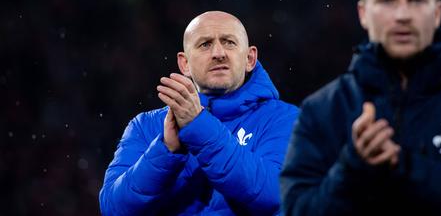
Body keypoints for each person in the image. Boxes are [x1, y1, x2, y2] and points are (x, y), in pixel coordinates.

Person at [280, 0, 441, 215]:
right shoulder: (322, 110)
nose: (402, 14)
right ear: (363, 13)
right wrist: (352, 166)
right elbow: (298, 211)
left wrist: (403, 166)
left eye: (416, 0)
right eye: (387, 0)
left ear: (437, 13)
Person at [99, 11, 298, 215]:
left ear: (250, 58)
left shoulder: (286, 120)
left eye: (229, 42)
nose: (218, 53)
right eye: (205, 44)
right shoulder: (145, 126)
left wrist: (199, 127)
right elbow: (114, 208)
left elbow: (275, 194)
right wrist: (166, 150)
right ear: (184, 63)